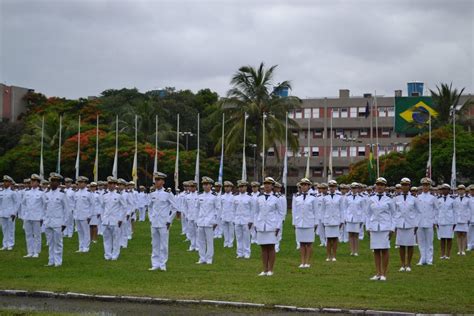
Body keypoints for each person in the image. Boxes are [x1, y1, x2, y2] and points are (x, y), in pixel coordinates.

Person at [148, 172, 178, 271]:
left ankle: (162, 264)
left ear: (163, 182)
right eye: (155, 180)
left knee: (164, 244)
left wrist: (169, 220)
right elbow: (150, 207)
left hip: (164, 222)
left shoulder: (168, 194)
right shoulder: (152, 193)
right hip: (154, 222)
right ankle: (155, 264)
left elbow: (175, 208)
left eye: (158, 180)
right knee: (154, 243)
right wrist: (151, 218)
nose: (156, 182)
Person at [366, 177, 395, 281]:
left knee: (384, 249)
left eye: (382, 185)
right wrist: (367, 227)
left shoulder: (389, 199)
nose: (379, 187)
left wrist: (392, 228)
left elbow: (393, 215)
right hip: (374, 227)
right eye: (378, 184)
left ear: (385, 187)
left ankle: (384, 273)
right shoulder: (371, 198)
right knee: (376, 250)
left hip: (385, 227)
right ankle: (377, 273)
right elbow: (368, 214)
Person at [254, 177, 282, 276]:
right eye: (265, 183)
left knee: (271, 247)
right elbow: (256, 212)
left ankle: (270, 269)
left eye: (269, 184)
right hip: (261, 225)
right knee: (263, 247)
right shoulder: (259, 198)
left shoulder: (276, 198)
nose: (267, 185)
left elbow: (280, 213)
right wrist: (256, 224)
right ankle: (264, 269)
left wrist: (278, 226)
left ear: (272, 186)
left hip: (272, 225)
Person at [42, 173, 70, 267]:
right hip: (48, 222)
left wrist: (64, 222)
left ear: (59, 183)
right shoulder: (46, 194)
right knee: (50, 242)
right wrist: (44, 220)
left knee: (58, 242)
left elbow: (67, 209)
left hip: (58, 222)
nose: (53, 183)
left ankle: (58, 261)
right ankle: (51, 261)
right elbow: (44, 208)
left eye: (56, 181)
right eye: (52, 181)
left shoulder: (62, 194)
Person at [393, 178, 420, 272]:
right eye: (403, 185)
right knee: (401, 245)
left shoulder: (414, 199)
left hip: (410, 223)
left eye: (406, 185)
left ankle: (408, 264)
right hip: (400, 224)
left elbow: (418, 212)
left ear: (409, 186)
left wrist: (416, 224)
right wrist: (395, 224)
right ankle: (402, 264)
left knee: (410, 245)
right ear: (401, 186)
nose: (405, 187)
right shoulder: (396, 198)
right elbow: (394, 212)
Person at [292, 178, 318, 268]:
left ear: (309, 186)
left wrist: (316, 223)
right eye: (302, 185)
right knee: (302, 243)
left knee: (309, 243)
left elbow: (316, 211)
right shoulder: (297, 198)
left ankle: (307, 262)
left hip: (309, 222)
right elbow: (294, 211)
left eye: (305, 185)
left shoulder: (313, 198)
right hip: (300, 222)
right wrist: (294, 223)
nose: (303, 186)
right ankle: (302, 262)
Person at [101, 177, 127, 261]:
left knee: (116, 239)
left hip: (115, 220)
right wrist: (103, 218)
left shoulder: (119, 196)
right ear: (108, 185)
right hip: (106, 220)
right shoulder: (104, 195)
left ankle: (115, 255)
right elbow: (102, 207)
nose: (111, 185)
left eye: (113, 184)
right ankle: (107, 255)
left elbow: (124, 207)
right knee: (106, 238)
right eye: (109, 184)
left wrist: (120, 218)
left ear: (115, 185)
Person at [196, 177, 220, 264]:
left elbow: (218, 210)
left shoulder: (214, 196)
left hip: (210, 221)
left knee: (209, 241)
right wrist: (197, 220)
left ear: (210, 185)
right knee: (201, 241)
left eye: (207, 184)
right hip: (201, 221)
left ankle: (209, 258)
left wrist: (215, 222)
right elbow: (197, 209)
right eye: (204, 184)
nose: (205, 186)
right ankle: (202, 258)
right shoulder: (200, 196)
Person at [21, 174, 45, 258]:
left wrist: (42, 216)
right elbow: (23, 203)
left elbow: (44, 205)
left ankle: (36, 252)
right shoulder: (27, 192)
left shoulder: (41, 193)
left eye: (34, 181)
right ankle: (30, 252)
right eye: (31, 181)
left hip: (37, 216)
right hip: (27, 216)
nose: (32, 182)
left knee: (37, 235)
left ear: (38, 183)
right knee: (28, 234)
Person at [415, 177, 438, 265]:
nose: (425, 187)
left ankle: (429, 260)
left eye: (427, 185)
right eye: (424, 185)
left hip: (429, 222)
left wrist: (434, 221)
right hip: (420, 222)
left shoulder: (433, 198)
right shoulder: (418, 197)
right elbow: (415, 210)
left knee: (429, 241)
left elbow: (436, 210)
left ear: (429, 186)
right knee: (421, 241)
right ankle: (422, 259)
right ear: (422, 186)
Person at [321, 180, 344, 261]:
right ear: (328, 188)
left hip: (336, 220)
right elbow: (323, 210)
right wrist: (323, 221)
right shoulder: (325, 198)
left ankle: (334, 255)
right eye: (330, 186)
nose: (332, 188)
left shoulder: (339, 197)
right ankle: (328, 255)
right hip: (327, 220)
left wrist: (342, 221)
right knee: (328, 239)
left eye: (333, 186)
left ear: (336, 187)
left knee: (334, 239)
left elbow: (342, 210)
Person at [344, 182, 366, 256]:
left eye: (355, 188)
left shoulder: (361, 198)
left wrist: (362, 220)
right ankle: (352, 250)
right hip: (349, 218)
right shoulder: (347, 197)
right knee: (350, 235)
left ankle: (356, 251)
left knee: (356, 235)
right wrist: (345, 218)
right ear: (351, 189)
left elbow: (363, 210)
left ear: (358, 189)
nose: (354, 189)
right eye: (353, 188)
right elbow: (345, 209)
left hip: (357, 218)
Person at [233, 180, 253, 259]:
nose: (241, 188)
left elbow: (252, 210)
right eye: (239, 187)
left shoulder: (249, 198)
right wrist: (234, 220)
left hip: (246, 220)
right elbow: (233, 209)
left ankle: (247, 252)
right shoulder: (235, 198)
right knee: (238, 237)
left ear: (245, 187)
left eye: (242, 187)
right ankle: (240, 253)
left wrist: (251, 221)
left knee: (246, 237)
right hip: (237, 220)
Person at [73, 176, 93, 253]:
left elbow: (92, 205)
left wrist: (89, 215)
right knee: (79, 232)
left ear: (85, 183)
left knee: (86, 232)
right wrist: (74, 214)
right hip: (77, 215)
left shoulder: (88, 193)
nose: (80, 184)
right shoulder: (76, 193)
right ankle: (80, 247)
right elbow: (74, 205)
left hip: (85, 215)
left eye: (82, 182)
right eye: (79, 182)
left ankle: (86, 247)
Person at [0, 175, 19, 251]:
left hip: (10, 213)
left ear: (10, 183)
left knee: (11, 229)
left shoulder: (13, 193)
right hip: (2, 213)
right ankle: (5, 244)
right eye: (4, 181)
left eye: (7, 182)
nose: (5, 183)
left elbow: (17, 203)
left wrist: (14, 212)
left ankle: (10, 244)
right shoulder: (1, 192)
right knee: (4, 229)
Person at [436, 183, 455, 259]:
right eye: (443, 189)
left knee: (449, 238)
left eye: (446, 189)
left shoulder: (452, 200)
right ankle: (442, 254)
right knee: (442, 238)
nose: (444, 191)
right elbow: (436, 211)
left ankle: (448, 254)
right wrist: (436, 221)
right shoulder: (438, 199)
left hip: (450, 221)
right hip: (441, 220)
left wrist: (455, 222)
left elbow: (455, 211)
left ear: (449, 190)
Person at [453, 184, 469, 255]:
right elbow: (454, 210)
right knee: (458, 234)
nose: (461, 191)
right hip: (457, 219)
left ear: (464, 190)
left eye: (462, 189)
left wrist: (468, 218)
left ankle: (463, 250)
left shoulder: (468, 199)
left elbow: (470, 209)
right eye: (459, 189)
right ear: (458, 191)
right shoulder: (455, 199)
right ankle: (459, 250)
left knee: (464, 234)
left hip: (465, 218)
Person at [184, 180, 199, 252]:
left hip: (197, 217)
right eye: (190, 186)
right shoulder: (187, 196)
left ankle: (198, 246)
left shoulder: (199, 196)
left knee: (198, 232)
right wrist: (186, 215)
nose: (191, 188)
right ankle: (192, 245)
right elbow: (185, 207)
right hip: (190, 216)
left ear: (196, 187)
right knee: (191, 231)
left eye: (192, 186)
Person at [220, 181, 235, 248]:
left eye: (228, 187)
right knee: (225, 230)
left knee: (231, 231)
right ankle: (226, 242)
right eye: (225, 187)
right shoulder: (222, 197)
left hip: (231, 215)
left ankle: (230, 243)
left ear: (231, 188)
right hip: (224, 215)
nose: (226, 188)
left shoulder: (233, 197)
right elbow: (220, 207)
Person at [468, 185, 474, 251]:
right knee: (469, 233)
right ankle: (469, 245)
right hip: (470, 218)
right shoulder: (468, 199)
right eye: (471, 190)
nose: (473, 192)